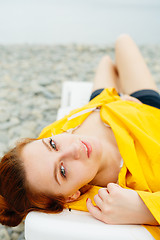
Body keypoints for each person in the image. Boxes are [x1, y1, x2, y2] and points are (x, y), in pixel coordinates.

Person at [0, 35, 160, 237]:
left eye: (52, 144)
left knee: (113, 54)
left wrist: (124, 106)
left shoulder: (52, 137)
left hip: (101, 103)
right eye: (63, 170)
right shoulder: (113, 195)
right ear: (70, 197)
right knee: (123, 42)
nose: (74, 148)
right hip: (151, 112)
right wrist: (147, 210)